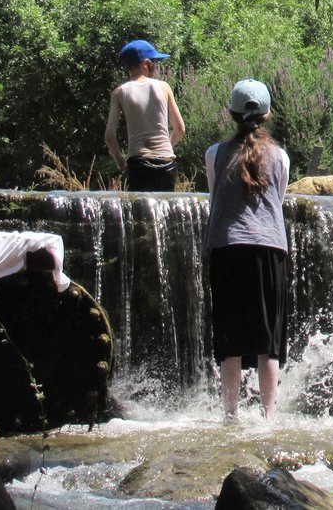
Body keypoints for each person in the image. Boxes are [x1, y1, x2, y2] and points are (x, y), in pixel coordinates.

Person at [202, 79, 291, 422]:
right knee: (268, 340)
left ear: (231, 114)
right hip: (268, 249)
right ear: (267, 114)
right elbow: (277, 201)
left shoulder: (215, 154)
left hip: (227, 246)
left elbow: (215, 198)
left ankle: (231, 416)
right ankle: (268, 418)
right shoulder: (280, 157)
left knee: (230, 338)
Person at [105, 39, 186, 191]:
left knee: (141, 212)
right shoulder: (163, 87)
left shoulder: (119, 93)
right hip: (165, 162)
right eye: (156, 62)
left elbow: (109, 136)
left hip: (138, 163)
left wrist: (121, 162)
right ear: (146, 64)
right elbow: (180, 128)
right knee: (165, 211)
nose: (157, 67)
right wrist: (166, 147)